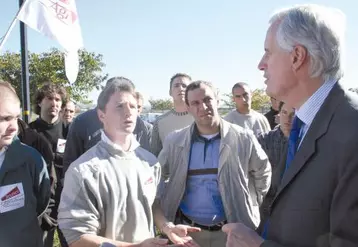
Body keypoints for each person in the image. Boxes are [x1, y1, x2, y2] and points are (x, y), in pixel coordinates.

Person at [223, 4, 358, 247]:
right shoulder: (305, 124)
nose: (261, 64)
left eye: (268, 52)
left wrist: (258, 245)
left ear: (297, 57)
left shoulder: (352, 131)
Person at [58, 80, 193, 247]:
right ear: (101, 115)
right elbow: (77, 238)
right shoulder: (83, 171)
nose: (128, 112)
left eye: (133, 106)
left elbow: (153, 204)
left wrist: (167, 227)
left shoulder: (150, 163)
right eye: (120, 106)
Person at [153, 80, 271, 247]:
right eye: (195, 103)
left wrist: (250, 203)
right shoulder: (175, 141)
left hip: (231, 234)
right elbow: (158, 175)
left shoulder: (243, 138)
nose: (203, 107)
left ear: (217, 100)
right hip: (188, 236)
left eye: (207, 99)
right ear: (188, 107)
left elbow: (263, 172)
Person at [63, 77, 153, 176]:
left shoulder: (139, 124)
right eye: (119, 105)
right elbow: (70, 158)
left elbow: (144, 158)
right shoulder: (82, 121)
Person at [0, 81, 51, 247]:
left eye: (16, 117)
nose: (14, 127)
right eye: (6, 119)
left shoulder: (31, 160)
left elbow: (42, 201)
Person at [29, 82, 68, 247]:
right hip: (42, 204)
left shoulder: (70, 131)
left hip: (68, 201)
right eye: (50, 98)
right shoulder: (29, 133)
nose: (54, 103)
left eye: (58, 99)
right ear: (39, 102)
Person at [150, 73, 194, 156]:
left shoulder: (201, 118)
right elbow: (154, 155)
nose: (181, 88)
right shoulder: (160, 122)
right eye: (176, 85)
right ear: (170, 92)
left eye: (184, 86)